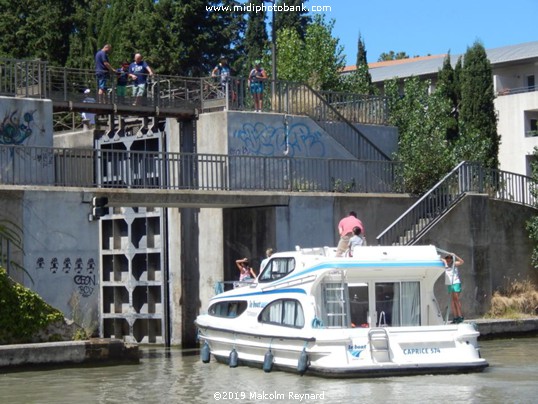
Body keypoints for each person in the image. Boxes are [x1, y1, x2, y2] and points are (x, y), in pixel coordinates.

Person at [442, 253, 465, 324]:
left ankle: (460, 316)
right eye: (447, 258)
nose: (449, 259)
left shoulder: (454, 264)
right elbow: (440, 258)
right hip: (450, 283)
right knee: (452, 302)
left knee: (456, 300)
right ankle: (455, 317)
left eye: (450, 258)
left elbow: (462, 262)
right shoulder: (445, 263)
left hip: (455, 282)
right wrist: (444, 259)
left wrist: (455, 255)